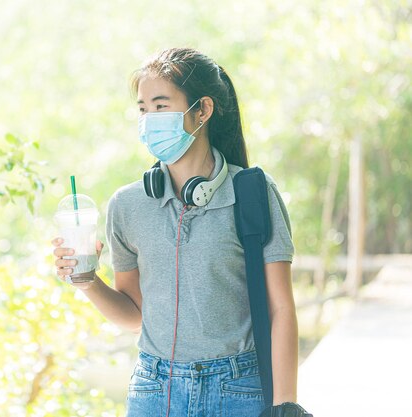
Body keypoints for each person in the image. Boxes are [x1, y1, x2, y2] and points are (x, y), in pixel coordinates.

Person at [52, 48, 302, 416]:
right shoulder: (127, 205)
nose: (149, 119)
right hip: (154, 390)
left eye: (161, 106)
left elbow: (281, 308)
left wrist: (285, 406)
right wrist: (87, 281)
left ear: (202, 110)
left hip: (238, 388)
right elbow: (135, 315)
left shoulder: (252, 192)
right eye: (143, 109)